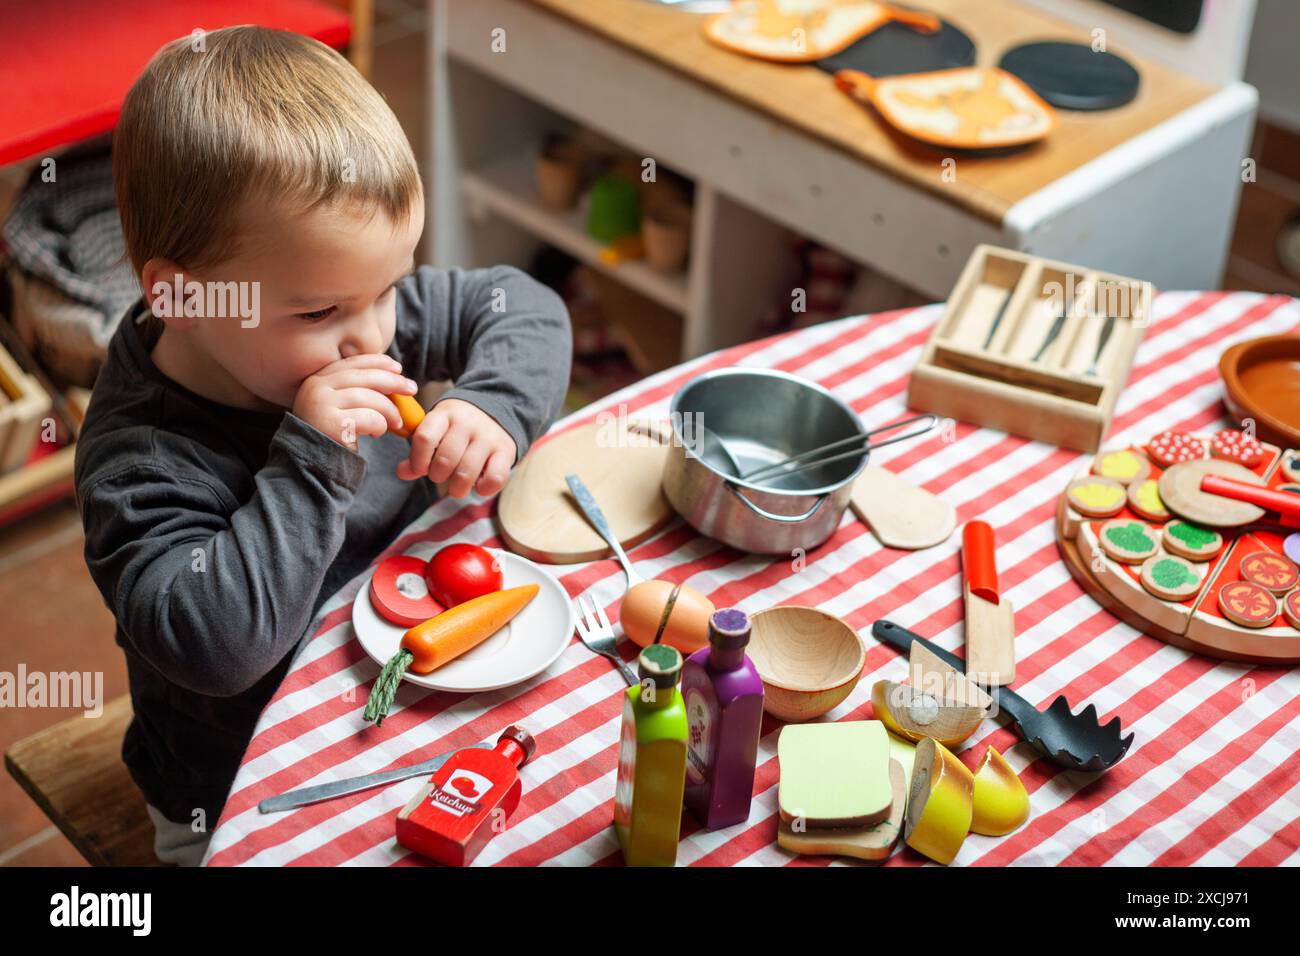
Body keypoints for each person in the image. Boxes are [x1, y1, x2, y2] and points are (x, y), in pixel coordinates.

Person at [74, 26, 571, 866]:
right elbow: (218, 647)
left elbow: (521, 306)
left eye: (393, 285)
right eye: (318, 315)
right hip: (239, 786)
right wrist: (310, 455)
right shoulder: (141, 458)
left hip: (400, 694)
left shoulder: (352, 303)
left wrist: (493, 406)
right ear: (183, 297)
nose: (374, 335)